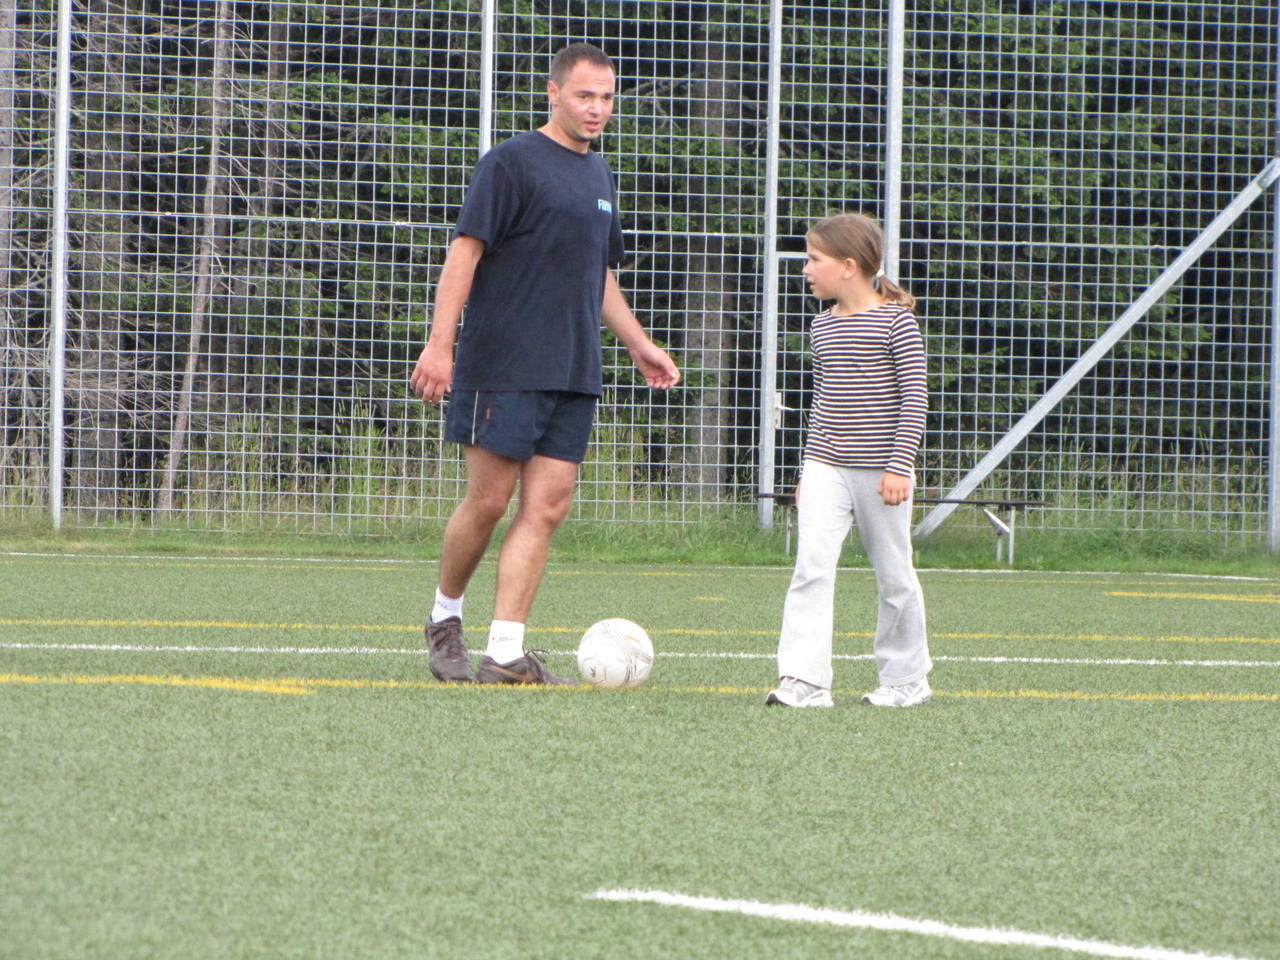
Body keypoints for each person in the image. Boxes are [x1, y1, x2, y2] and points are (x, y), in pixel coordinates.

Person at [409, 43, 680, 686]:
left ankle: (505, 653)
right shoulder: (510, 163)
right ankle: (445, 618)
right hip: (504, 363)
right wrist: (440, 345)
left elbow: (599, 277)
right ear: (553, 93)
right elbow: (464, 253)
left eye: (606, 98)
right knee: (489, 500)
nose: (597, 109)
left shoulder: (599, 174)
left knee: (548, 509)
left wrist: (638, 344)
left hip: (574, 369)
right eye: (585, 95)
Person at [766, 212, 932, 708]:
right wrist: (807, 470)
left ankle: (907, 679)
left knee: (894, 574)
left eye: (813, 259)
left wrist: (899, 466)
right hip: (827, 466)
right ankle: (805, 681)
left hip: (883, 471)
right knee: (811, 568)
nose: (805, 269)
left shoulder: (897, 323)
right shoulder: (821, 325)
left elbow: (915, 397)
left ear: (848, 266)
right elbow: (823, 401)